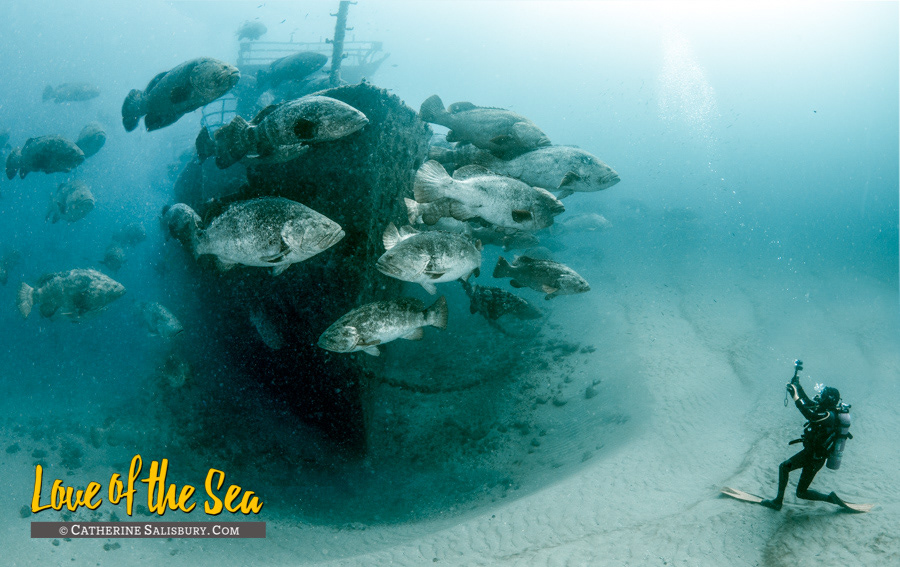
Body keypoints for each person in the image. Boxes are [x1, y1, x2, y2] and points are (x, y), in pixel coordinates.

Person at [760, 370, 845, 511]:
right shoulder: (826, 410)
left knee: (784, 467)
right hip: (815, 456)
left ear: (828, 400)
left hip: (813, 457)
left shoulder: (829, 416)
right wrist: (798, 386)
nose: (819, 398)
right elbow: (808, 403)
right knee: (801, 492)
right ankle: (829, 498)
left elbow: (809, 414)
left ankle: (777, 502)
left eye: (822, 396)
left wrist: (794, 396)